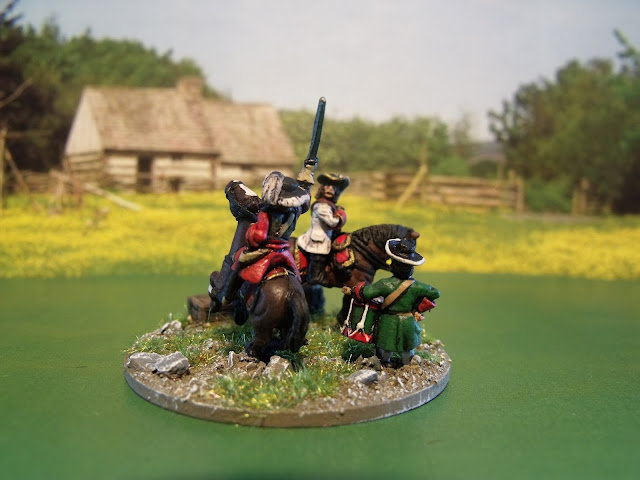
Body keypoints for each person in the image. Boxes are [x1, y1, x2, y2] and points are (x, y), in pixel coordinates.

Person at [209, 162, 315, 313]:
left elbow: (259, 235)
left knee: (238, 260)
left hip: (266, 250)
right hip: (284, 251)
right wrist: (308, 173)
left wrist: (250, 235)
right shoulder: (296, 210)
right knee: (296, 276)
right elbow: (306, 198)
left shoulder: (267, 212)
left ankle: (227, 294)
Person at [343, 235, 440, 365]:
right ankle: (407, 362)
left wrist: (353, 291)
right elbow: (435, 293)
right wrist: (419, 306)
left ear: (394, 266)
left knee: (384, 345)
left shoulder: (385, 284)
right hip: (408, 322)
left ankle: (383, 361)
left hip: (388, 321)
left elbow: (366, 293)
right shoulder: (418, 286)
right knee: (407, 347)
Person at [296, 173, 350, 286]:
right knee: (319, 256)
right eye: (328, 186)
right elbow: (332, 222)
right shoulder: (321, 206)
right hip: (318, 239)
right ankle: (315, 277)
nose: (330, 189)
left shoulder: (329, 205)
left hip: (327, 236)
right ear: (323, 188)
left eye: (333, 187)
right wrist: (340, 214)